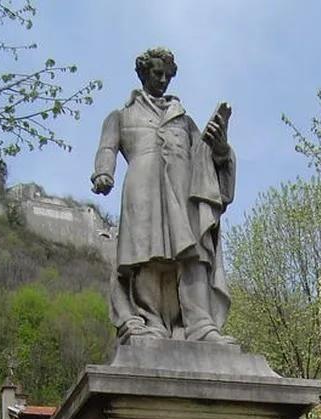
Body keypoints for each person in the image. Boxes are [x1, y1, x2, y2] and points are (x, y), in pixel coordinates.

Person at [91, 48, 237, 344]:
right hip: (142, 188)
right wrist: (103, 172)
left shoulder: (184, 120)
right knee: (146, 253)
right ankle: (151, 320)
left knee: (193, 253)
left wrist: (221, 147)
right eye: (156, 73)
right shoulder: (121, 116)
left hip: (182, 188)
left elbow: (206, 154)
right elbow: (107, 148)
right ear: (143, 72)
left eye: (167, 75)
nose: (162, 79)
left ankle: (200, 323)